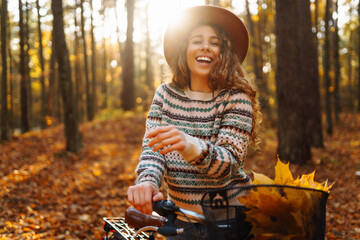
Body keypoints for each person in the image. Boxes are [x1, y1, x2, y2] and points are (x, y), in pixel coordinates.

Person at [127, 5, 260, 239]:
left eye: (215, 42)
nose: (205, 46)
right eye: (197, 40)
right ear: (185, 49)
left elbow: (228, 165)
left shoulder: (237, 97)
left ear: (224, 52)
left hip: (228, 219)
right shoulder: (165, 95)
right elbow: (153, 151)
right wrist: (147, 182)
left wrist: (189, 145)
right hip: (180, 217)